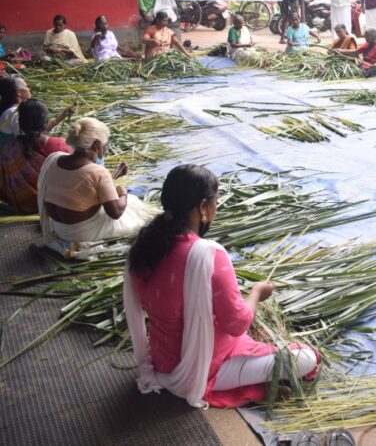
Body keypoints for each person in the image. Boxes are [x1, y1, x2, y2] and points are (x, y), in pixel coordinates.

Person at [123, 164, 320, 408]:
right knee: (305, 358)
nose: (217, 207)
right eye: (215, 201)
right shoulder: (207, 255)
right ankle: (243, 386)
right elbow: (237, 323)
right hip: (202, 369)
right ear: (203, 207)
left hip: (162, 362)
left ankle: (249, 383)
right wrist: (257, 293)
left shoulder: (143, 249)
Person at [37, 117, 152, 256]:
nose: (106, 148)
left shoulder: (54, 158)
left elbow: (82, 187)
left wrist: (113, 176)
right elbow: (115, 213)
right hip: (81, 233)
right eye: (105, 144)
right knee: (137, 210)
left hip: (60, 228)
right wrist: (123, 194)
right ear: (97, 145)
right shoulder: (98, 172)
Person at [0, 99, 72, 214]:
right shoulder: (58, 146)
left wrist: (62, 116)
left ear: (20, 122)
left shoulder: (9, 150)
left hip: (21, 204)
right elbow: (73, 178)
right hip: (53, 206)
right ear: (45, 121)